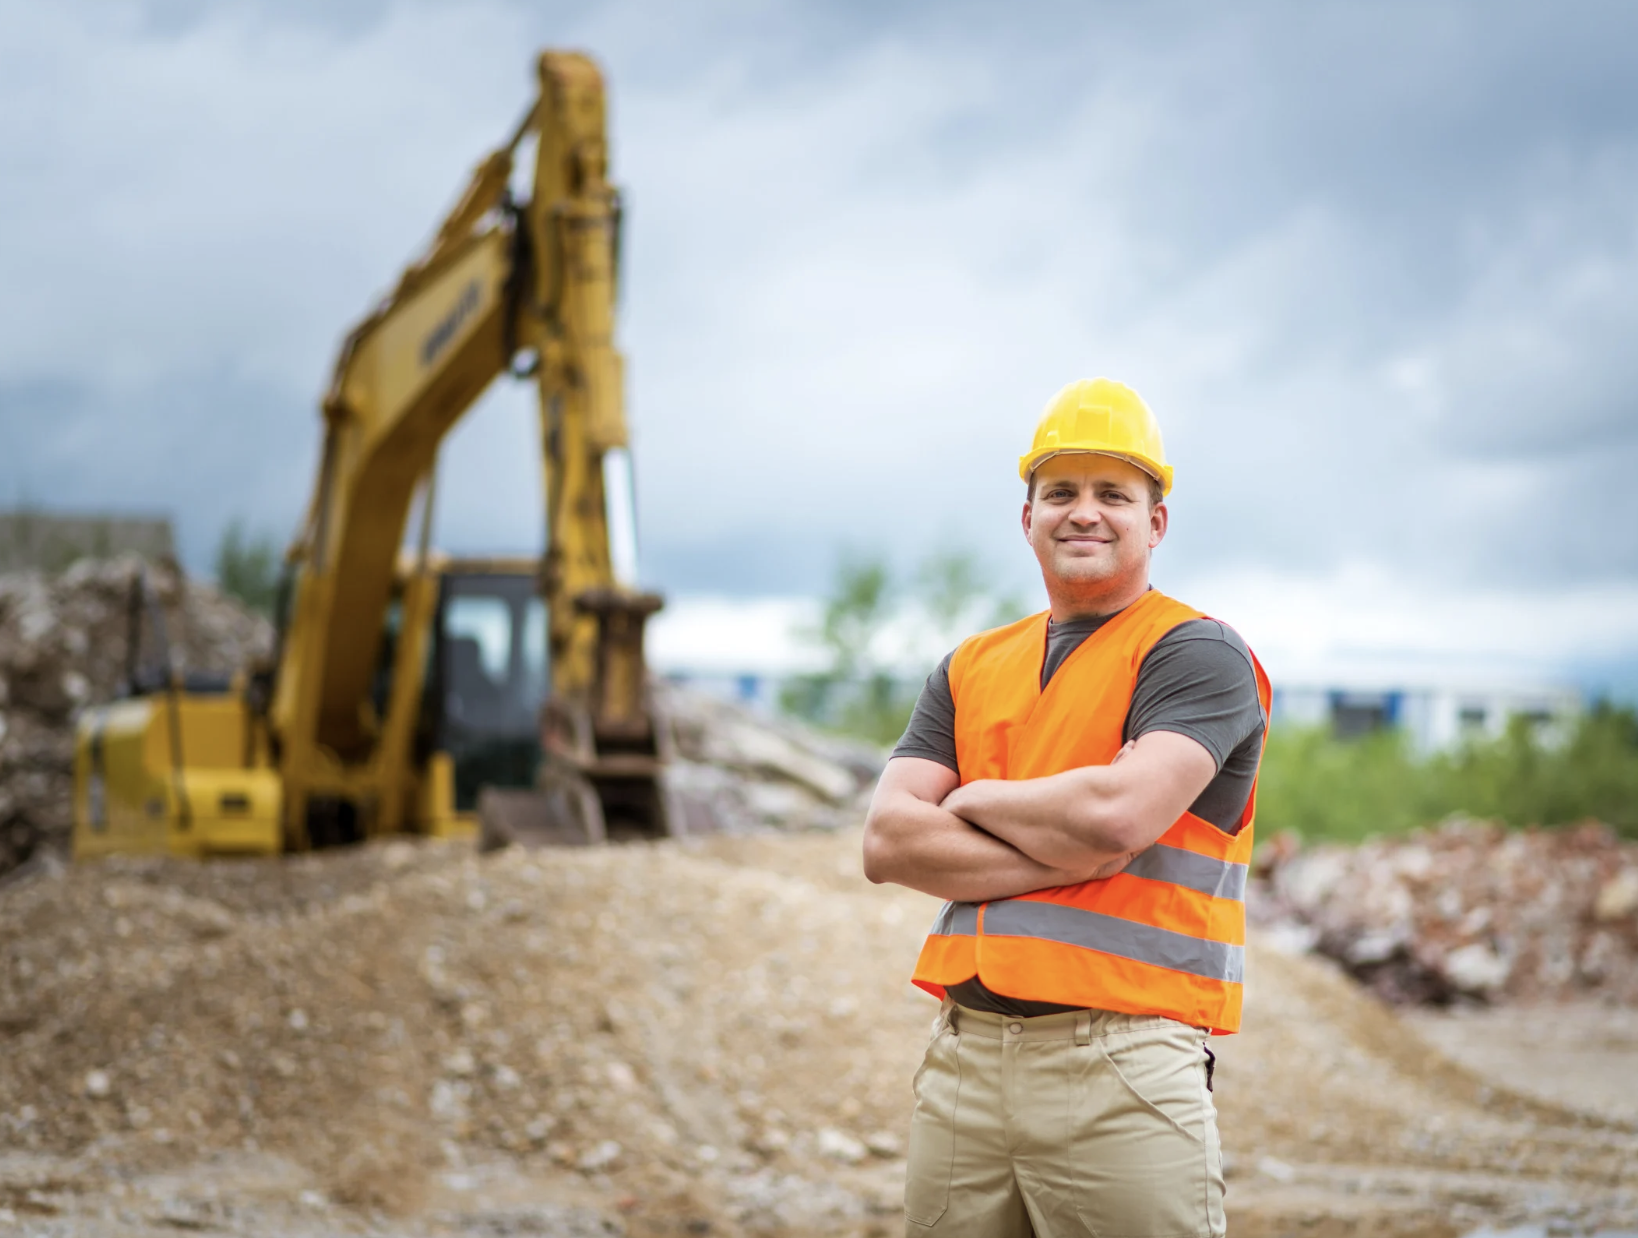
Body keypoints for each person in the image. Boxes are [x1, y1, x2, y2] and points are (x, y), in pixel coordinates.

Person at [862, 378, 1270, 1238]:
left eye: (1112, 494)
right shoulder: (971, 666)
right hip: (965, 1061)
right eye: (1062, 493)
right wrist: (1069, 846)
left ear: (1155, 522)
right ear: (1028, 517)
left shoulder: (1198, 655)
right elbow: (889, 839)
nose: (1084, 512)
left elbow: (1118, 817)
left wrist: (972, 800)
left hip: (1120, 1066)